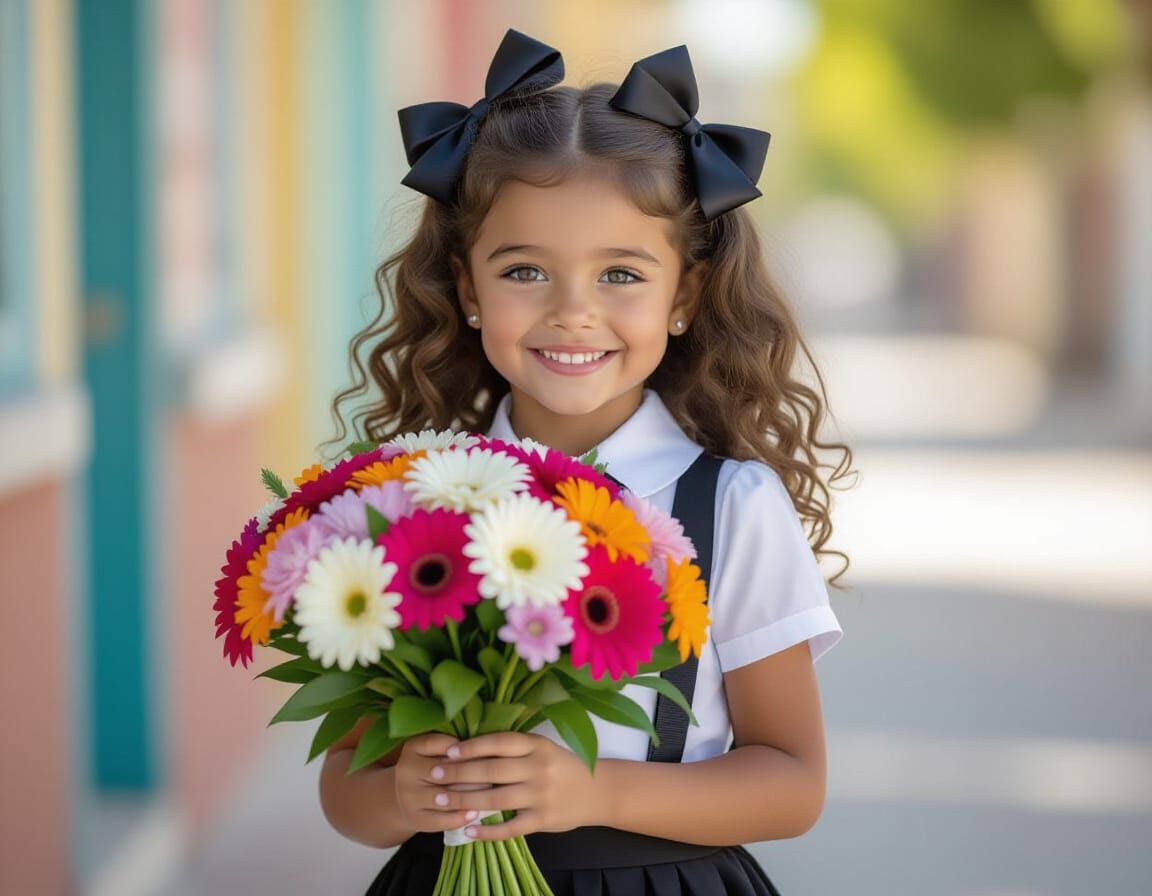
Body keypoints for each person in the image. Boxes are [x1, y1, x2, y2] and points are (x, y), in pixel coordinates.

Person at [317, 27, 855, 896]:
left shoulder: (732, 507)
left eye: (620, 275)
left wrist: (590, 789)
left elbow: (793, 783)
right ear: (466, 289)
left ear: (683, 295)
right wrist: (406, 795)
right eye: (525, 270)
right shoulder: (403, 502)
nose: (574, 312)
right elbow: (346, 790)